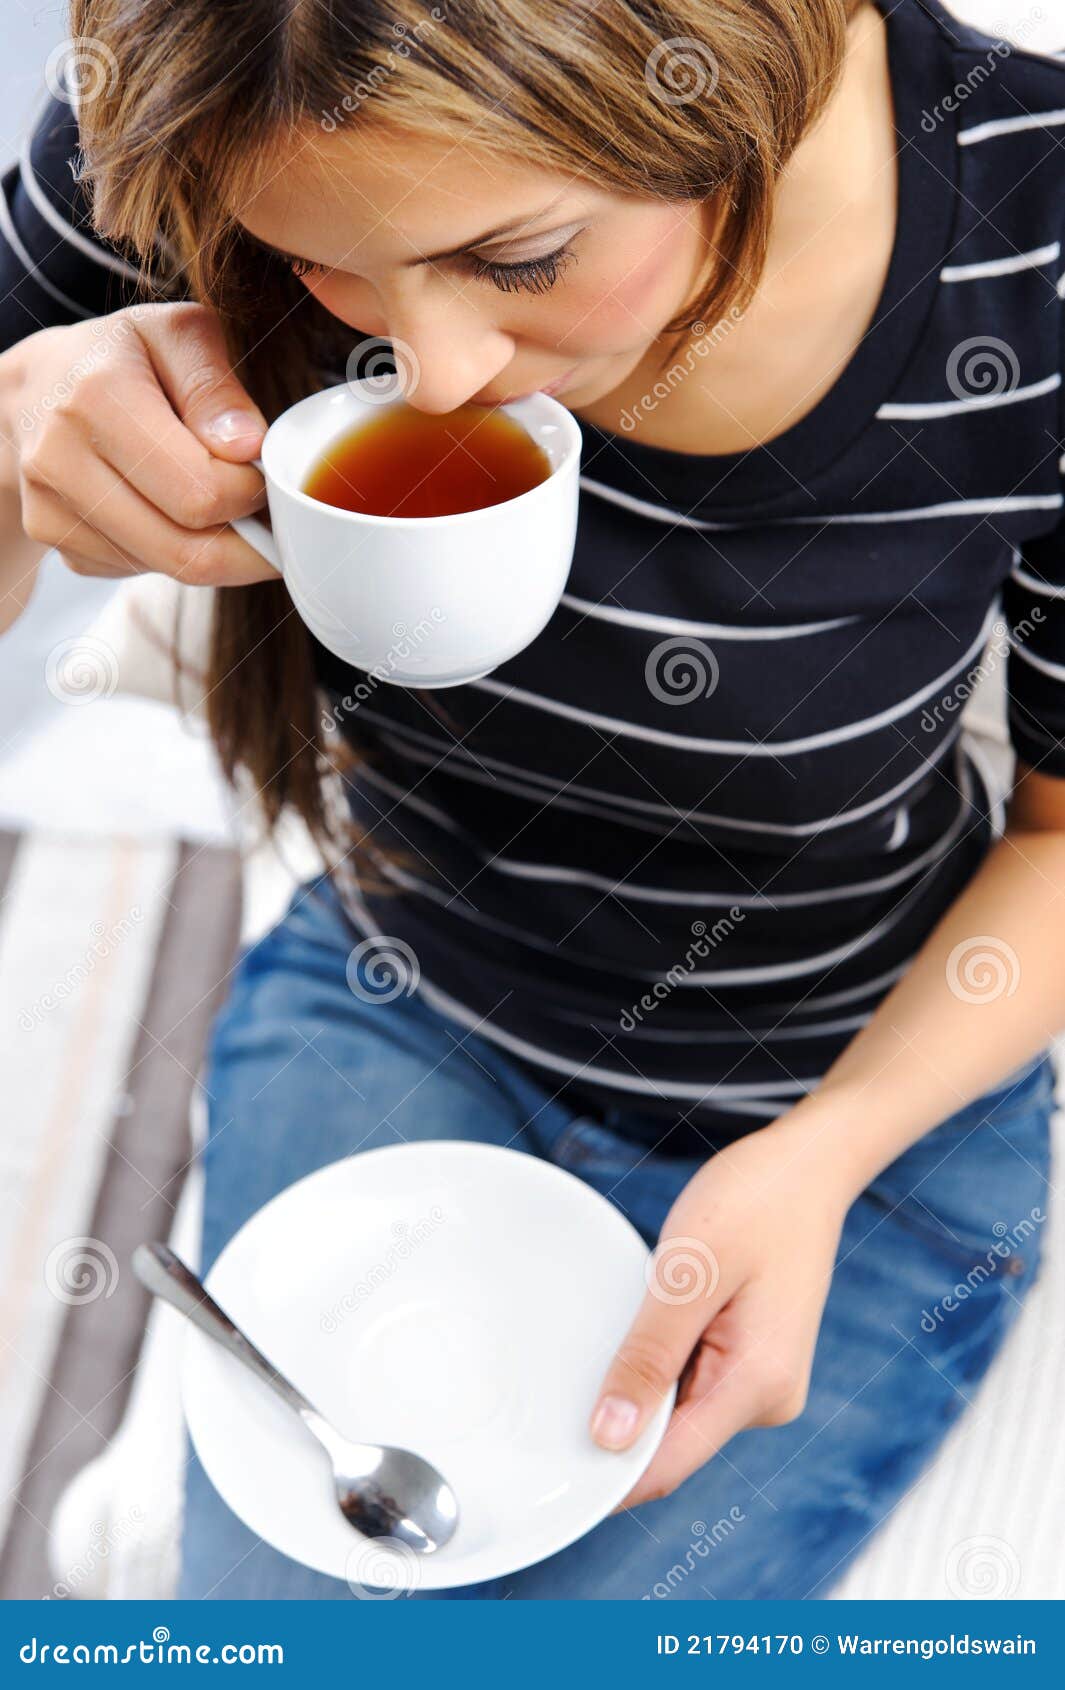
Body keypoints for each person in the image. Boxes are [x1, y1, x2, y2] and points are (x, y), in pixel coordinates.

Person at [1, 0, 1063, 1600]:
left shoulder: (1033, 239)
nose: (432, 374)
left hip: (863, 1106)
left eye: (519, 258)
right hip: (401, 1005)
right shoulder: (200, 76)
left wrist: (829, 1150)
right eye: (322, 264)